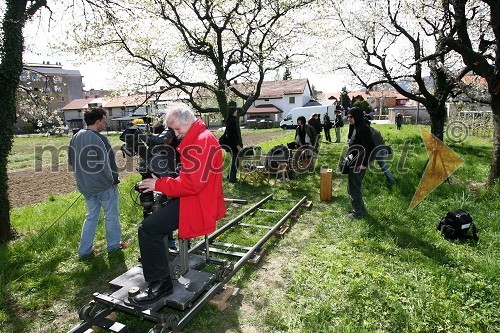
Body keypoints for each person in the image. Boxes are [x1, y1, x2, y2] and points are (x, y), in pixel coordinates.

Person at [133, 104, 226, 304]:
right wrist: (165, 180)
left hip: (195, 201)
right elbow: (190, 176)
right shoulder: (200, 137)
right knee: (151, 228)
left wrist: (160, 183)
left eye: (177, 129)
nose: (176, 134)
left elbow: (192, 184)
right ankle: (161, 275)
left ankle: (161, 282)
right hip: (193, 198)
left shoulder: (201, 142)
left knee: (149, 229)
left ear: (187, 121)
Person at [68, 107, 127, 258]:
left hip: (85, 187)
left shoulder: (75, 137)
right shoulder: (101, 138)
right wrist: (114, 180)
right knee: (111, 216)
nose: (104, 124)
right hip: (104, 186)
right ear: (98, 120)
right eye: (103, 121)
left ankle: (84, 251)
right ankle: (114, 246)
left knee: (91, 217)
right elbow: (110, 164)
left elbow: (71, 162)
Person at [345, 107, 375, 219]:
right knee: (352, 187)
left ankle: (357, 213)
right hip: (353, 160)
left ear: (357, 117)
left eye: (351, 117)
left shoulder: (363, 129)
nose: (348, 119)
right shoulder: (355, 127)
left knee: (354, 188)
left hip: (359, 163)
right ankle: (359, 208)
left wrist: (364, 163)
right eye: (347, 116)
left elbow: (371, 147)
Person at [223, 110, 243, 183]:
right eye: (235, 111)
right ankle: (232, 179)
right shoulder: (232, 122)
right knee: (236, 162)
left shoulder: (229, 120)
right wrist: (237, 145)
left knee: (234, 161)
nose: (236, 113)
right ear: (232, 112)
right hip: (234, 145)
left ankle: (229, 176)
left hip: (231, 145)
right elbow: (233, 135)